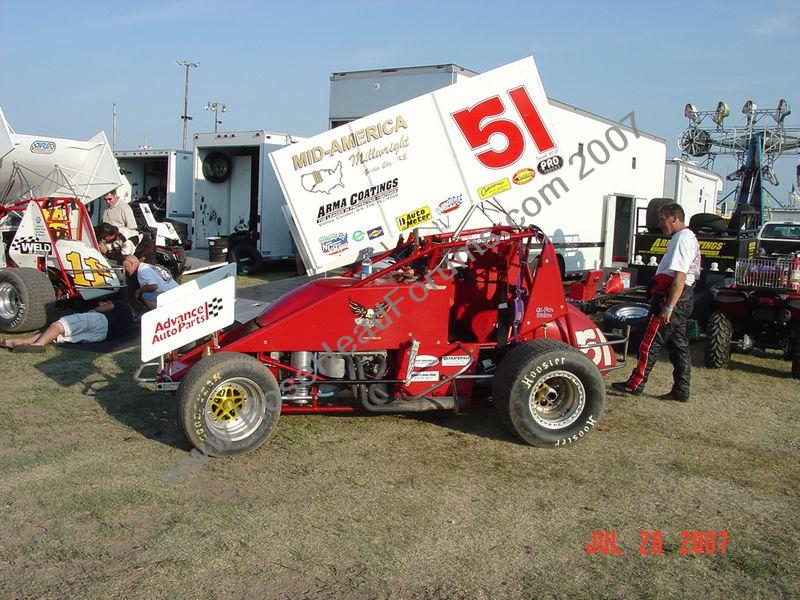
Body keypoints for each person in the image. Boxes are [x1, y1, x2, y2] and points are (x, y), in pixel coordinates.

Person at [611, 203, 701, 402]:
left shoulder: (682, 239)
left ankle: (635, 384)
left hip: (674, 296)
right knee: (679, 346)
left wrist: (668, 306)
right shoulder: (688, 237)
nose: (660, 225)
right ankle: (681, 389)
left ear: (675, 218)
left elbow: (679, 277)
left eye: (662, 220)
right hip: (683, 297)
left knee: (650, 342)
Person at [0, 299, 141, 353]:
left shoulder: (123, 305)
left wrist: (98, 307)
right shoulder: (130, 325)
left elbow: (101, 309)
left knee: (60, 325)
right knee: (58, 333)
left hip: (101, 320)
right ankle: (18, 342)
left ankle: (38, 345)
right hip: (100, 336)